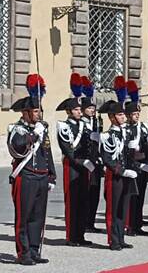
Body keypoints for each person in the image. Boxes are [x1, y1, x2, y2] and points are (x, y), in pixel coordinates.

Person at [8, 74, 55, 265]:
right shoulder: (16, 129)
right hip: (25, 176)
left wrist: (51, 175)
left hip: (41, 177)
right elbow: (17, 148)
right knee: (24, 216)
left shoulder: (42, 128)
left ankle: (35, 250)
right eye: (35, 111)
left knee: (38, 216)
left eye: (39, 111)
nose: (38, 115)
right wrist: (33, 136)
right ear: (25, 113)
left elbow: (47, 152)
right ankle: (24, 252)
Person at [99, 77, 139, 251]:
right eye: (121, 115)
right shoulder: (107, 136)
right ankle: (113, 239)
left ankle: (121, 237)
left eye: (124, 114)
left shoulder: (127, 133)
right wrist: (122, 171)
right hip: (114, 176)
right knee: (113, 209)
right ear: (112, 118)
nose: (124, 117)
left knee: (123, 207)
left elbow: (129, 155)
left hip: (127, 174)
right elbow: (107, 159)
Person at [56, 74, 92, 247]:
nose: (80, 111)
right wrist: (81, 161)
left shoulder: (85, 125)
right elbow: (68, 149)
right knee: (72, 201)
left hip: (85, 166)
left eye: (80, 109)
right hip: (72, 165)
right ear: (69, 111)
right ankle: (71, 236)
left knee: (84, 199)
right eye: (77, 110)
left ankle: (81, 235)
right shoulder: (63, 126)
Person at [124, 81, 148, 236]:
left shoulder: (142, 127)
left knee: (141, 196)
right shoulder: (125, 129)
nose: (137, 116)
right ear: (128, 115)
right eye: (134, 114)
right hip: (132, 165)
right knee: (131, 197)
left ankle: (138, 224)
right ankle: (129, 225)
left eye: (138, 114)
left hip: (143, 164)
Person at [79, 77, 103, 233]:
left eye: (93, 108)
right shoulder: (81, 124)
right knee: (85, 195)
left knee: (95, 193)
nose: (92, 110)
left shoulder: (96, 122)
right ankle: (84, 222)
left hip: (97, 162)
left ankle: (91, 221)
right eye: (89, 108)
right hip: (86, 162)